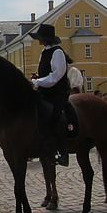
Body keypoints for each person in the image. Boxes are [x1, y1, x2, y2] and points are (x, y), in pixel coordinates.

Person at [29, 24, 71, 166]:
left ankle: (63, 152)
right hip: (45, 91)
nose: (38, 41)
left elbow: (55, 76)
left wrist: (37, 82)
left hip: (57, 92)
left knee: (55, 116)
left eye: (40, 38)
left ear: (45, 39)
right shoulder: (45, 51)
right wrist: (37, 77)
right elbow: (45, 73)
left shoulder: (58, 52)